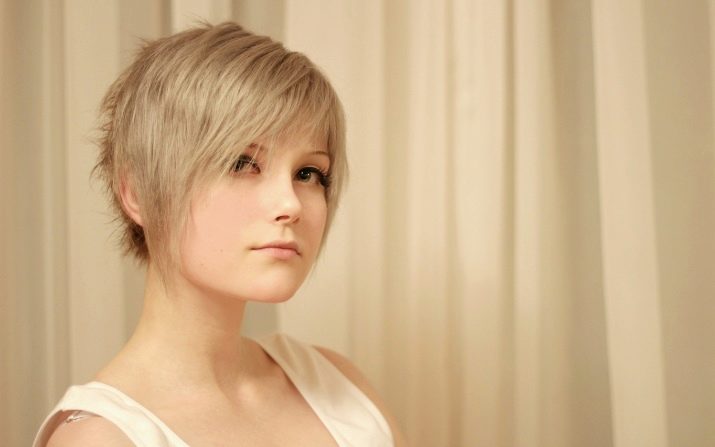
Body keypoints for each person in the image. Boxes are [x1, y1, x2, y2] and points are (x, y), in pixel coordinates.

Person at [34, 22, 406, 446]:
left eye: (308, 173)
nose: (291, 204)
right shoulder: (102, 438)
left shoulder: (342, 389)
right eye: (242, 163)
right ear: (137, 192)